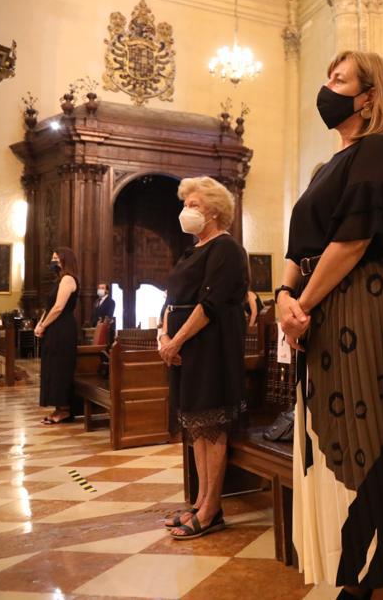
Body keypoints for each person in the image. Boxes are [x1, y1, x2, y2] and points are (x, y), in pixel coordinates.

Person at [279, 50, 383, 600]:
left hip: (364, 300)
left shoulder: (379, 151)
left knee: (369, 436)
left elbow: (355, 239)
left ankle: (378, 579)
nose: (328, 88)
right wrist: (282, 295)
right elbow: (302, 244)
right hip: (323, 303)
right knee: (338, 436)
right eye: (328, 78)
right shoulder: (327, 167)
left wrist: (304, 303)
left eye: (339, 80)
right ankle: (357, 572)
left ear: (368, 97)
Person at [158, 176, 248, 540]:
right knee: (196, 429)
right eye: (186, 204)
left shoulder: (226, 249)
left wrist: (176, 340)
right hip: (185, 350)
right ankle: (199, 502)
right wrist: (164, 338)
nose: (186, 212)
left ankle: (212, 509)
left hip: (210, 349)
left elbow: (209, 305)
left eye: (193, 205)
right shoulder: (191, 251)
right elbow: (171, 300)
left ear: (213, 211)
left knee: (212, 428)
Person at [35, 247, 79, 425]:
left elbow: (59, 307)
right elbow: (49, 307)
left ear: (65, 260)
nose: (53, 262)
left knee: (61, 369)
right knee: (52, 367)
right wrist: (40, 323)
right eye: (52, 258)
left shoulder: (68, 279)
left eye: (56, 259)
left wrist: (44, 325)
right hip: (54, 328)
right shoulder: (59, 280)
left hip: (63, 329)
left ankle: (65, 410)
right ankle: (58, 408)